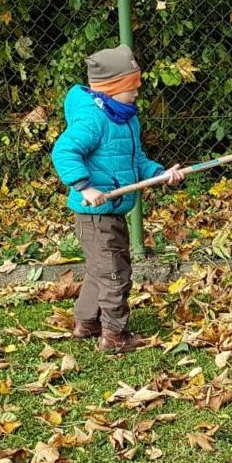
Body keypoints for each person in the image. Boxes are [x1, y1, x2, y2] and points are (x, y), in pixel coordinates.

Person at [51, 45, 185, 354]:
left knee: (101, 268)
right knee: (114, 272)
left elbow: (136, 161)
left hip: (114, 210)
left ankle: (86, 322)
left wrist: (162, 173)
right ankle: (115, 335)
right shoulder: (92, 120)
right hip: (95, 212)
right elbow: (64, 151)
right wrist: (85, 187)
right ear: (112, 89)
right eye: (131, 87)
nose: (137, 92)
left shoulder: (126, 119)